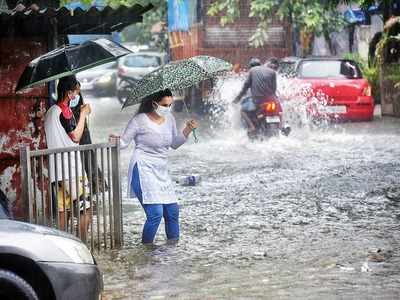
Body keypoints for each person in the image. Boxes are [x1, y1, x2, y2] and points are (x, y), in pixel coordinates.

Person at [112, 89, 197, 244]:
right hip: (143, 167)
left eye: (170, 104)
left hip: (161, 170)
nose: (168, 108)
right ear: (154, 103)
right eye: (165, 104)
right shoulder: (139, 120)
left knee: (172, 212)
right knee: (155, 214)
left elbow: (174, 144)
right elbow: (124, 143)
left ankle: (172, 252)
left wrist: (187, 130)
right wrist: (115, 140)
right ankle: (146, 252)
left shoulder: (169, 118)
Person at [44, 76, 91, 239]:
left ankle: (64, 246)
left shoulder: (50, 111)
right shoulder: (64, 111)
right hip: (72, 170)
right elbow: (76, 136)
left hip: (57, 172)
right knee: (87, 209)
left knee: (63, 213)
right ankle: (83, 245)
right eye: (76, 91)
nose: (77, 95)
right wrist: (83, 114)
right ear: (69, 92)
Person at [233, 57, 280, 134]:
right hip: (270, 100)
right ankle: (282, 126)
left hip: (257, 101)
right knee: (279, 111)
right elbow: (274, 89)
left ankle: (252, 127)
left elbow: (245, 87)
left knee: (242, 111)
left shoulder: (252, 71)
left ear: (250, 66)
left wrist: (237, 99)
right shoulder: (272, 72)